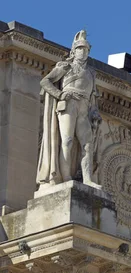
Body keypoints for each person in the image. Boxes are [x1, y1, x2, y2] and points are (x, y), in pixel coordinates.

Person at [36, 30, 102, 190]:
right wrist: (59, 94)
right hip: (69, 104)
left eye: (86, 49)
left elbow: (93, 96)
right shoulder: (65, 66)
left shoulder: (91, 73)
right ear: (73, 51)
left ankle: (87, 179)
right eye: (80, 48)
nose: (83, 52)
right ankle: (65, 178)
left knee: (87, 144)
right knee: (67, 141)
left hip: (84, 108)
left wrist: (95, 111)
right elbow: (46, 82)